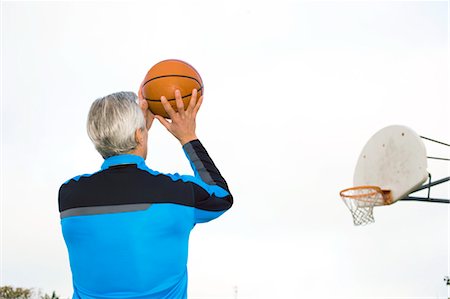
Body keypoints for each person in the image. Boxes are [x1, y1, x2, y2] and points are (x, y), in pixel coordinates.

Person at [58, 89, 233, 299]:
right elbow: (220, 196)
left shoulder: (69, 195)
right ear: (139, 134)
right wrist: (188, 137)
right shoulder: (177, 192)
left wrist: (137, 131)